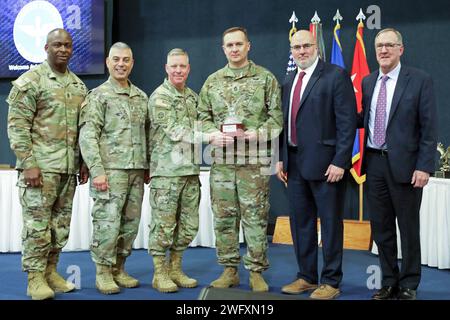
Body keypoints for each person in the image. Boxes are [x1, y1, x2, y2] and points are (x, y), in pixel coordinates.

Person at [198, 27, 283, 292]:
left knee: (255, 217)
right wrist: (211, 134)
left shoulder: (265, 79)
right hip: (222, 163)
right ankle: (229, 269)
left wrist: (257, 134)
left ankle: (256, 271)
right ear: (223, 49)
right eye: (229, 45)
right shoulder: (212, 81)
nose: (234, 49)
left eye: (238, 44)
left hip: (253, 163)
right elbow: (202, 116)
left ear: (249, 46)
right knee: (224, 217)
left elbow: (277, 118)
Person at [6, 28, 88, 300]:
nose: (63, 49)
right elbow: (17, 127)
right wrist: (28, 163)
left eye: (67, 45)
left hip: (67, 170)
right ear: (46, 48)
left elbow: (83, 131)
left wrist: (83, 162)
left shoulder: (78, 86)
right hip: (39, 171)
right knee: (37, 228)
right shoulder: (30, 82)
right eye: (57, 45)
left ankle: (52, 271)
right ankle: (35, 278)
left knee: (59, 227)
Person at [276, 30, 356, 299]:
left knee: (331, 224)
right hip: (294, 164)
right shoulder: (288, 80)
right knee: (301, 224)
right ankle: (306, 276)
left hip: (327, 167)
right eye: (296, 47)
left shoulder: (335, 75)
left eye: (306, 46)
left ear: (316, 47)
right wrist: (280, 158)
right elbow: (283, 125)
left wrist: (340, 161)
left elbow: (347, 123)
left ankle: (331, 281)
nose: (301, 51)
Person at [360, 28, 437, 300]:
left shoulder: (418, 80)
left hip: (406, 167)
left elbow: (429, 127)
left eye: (390, 45)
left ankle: (409, 284)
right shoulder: (368, 82)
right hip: (374, 164)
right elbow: (363, 120)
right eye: (379, 45)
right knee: (381, 230)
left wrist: (425, 166)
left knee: (408, 229)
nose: (383, 50)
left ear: (401, 49)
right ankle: (389, 281)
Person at [79, 42, 150, 295]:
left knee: (130, 225)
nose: (121, 64)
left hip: (136, 171)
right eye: (116, 59)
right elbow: (88, 135)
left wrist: (148, 165)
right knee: (107, 224)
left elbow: (148, 134)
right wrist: (96, 169)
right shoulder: (98, 95)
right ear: (108, 62)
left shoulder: (141, 97)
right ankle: (103, 272)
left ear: (132, 63)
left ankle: (120, 268)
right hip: (110, 172)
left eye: (126, 60)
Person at [148, 48, 202, 293]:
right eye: (174, 66)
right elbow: (175, 131)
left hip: (190, 172)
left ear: (188, 68)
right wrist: (210, 136)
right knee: (163, 226)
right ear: (166, 68)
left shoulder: (193, 97)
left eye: (183, 66)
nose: (179, 70)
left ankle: (176, 268)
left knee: (189, 225)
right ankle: (160, 273)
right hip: (167, 174)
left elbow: (206, 121)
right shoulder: (160, 97)